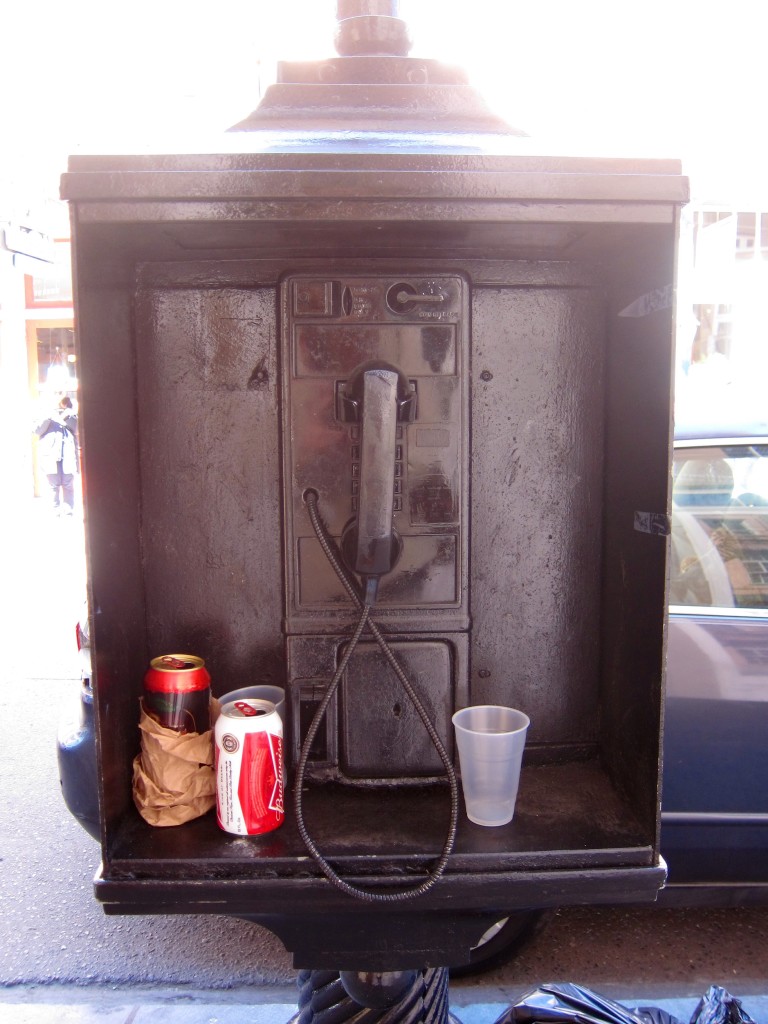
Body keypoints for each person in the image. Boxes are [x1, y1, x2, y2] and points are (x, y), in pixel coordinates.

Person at [34, 395, 79, 515]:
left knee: (68, 484)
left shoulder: (71, 412)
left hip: (67, 454)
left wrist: (67, 415)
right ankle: (55, 510)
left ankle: (68, 509)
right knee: (52, 485)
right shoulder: (43, 412)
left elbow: (77, 429)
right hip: (50, 454)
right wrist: (49, 416)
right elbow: (37, 430)